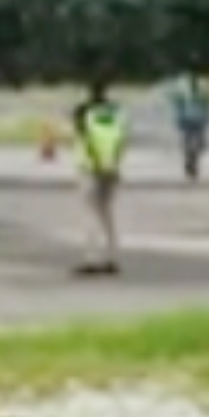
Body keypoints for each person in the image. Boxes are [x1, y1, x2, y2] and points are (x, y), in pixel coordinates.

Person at [67, 82, 130, 277]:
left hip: (90, 168)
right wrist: (113, 162)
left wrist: (96, 162)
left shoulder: (85, 115)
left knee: (91, 214)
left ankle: (91, 258)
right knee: (107, 214)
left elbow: (85, 140)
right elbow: (122, 140)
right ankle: (112, 256)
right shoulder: (118, 115)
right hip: (112, 167)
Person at [163, 71, 209, 181]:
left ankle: (192, 161)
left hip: (199, 120)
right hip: (186, 120)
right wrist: (177, 118)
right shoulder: (182, 91)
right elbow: (176, 104)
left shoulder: (203, 90)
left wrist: (207, 117)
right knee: (188, 144)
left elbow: (207, 104)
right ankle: (189, 163)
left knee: (200, 145)